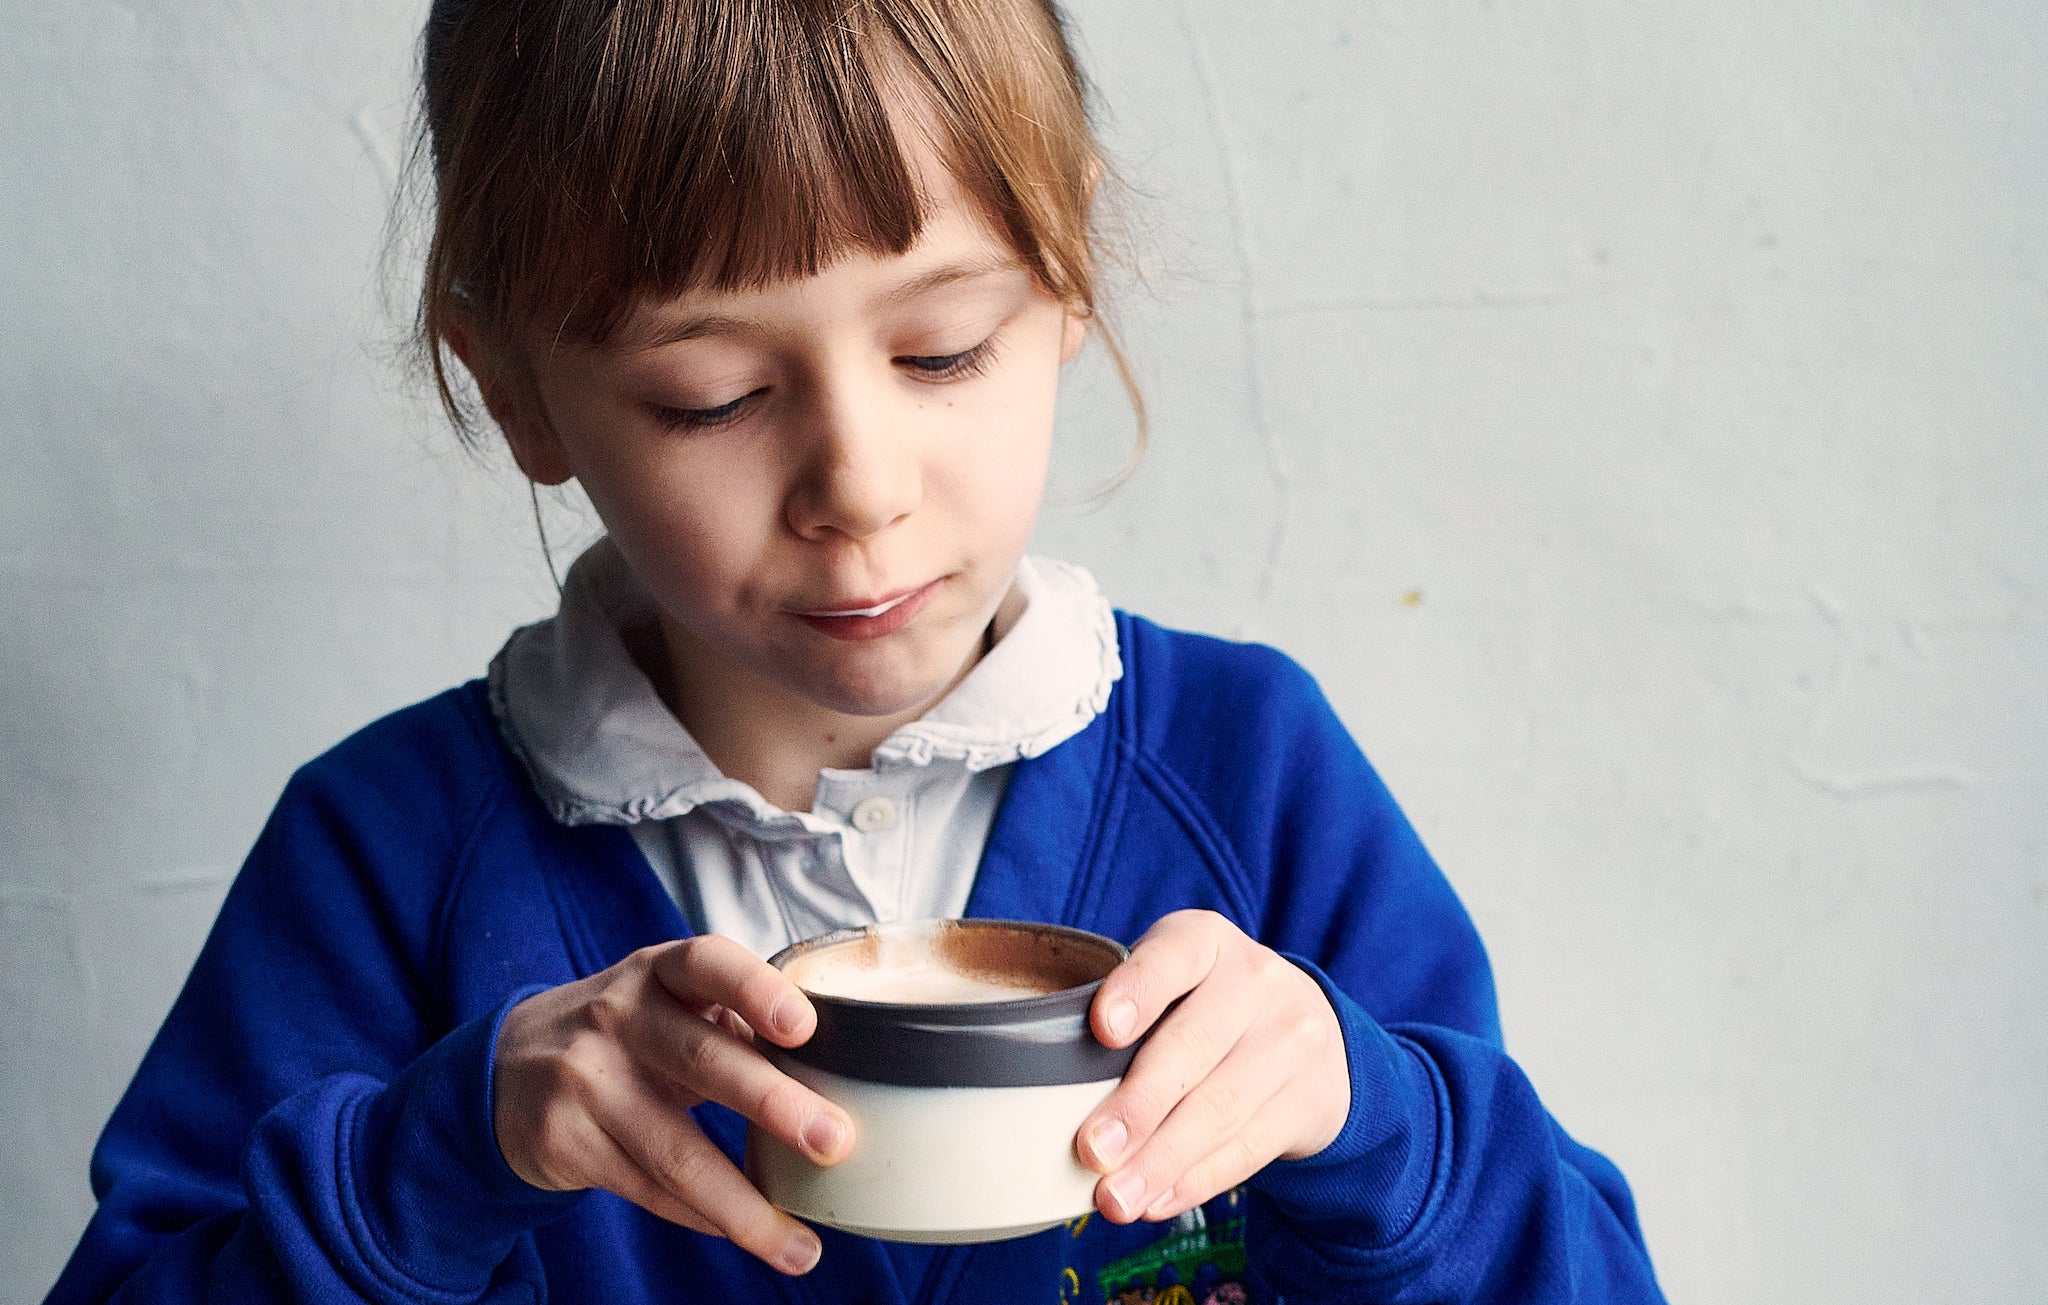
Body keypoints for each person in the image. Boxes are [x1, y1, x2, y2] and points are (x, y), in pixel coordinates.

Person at [45, 1, 1666, 1301]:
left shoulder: (1250, 778)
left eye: (942, 351)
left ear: (1068, 275)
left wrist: (1367, 1124)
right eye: (714, 396)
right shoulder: (385, 857)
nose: (860, 488)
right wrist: (435, 1160)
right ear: (516, 386)